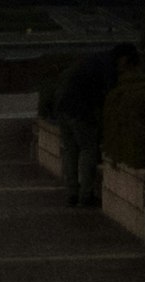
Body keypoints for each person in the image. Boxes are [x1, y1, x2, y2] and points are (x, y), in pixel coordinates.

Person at [53, 41, 129, 210]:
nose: (124, 69)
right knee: (88, 149)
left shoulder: (96, 58)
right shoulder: (108, 66)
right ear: (123, 58)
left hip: (63, 106)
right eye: (126, 65)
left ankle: (72, 193)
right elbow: (109, 95)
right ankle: (85, 196)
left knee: (71, 151)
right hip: (80, 110)